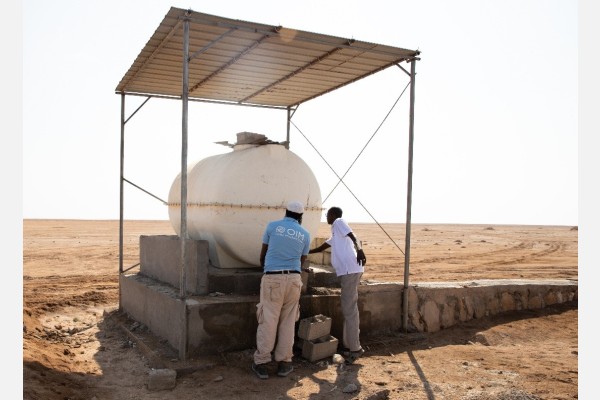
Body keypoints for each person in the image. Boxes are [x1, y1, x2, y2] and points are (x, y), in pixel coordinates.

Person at [252, 200, 310, 379]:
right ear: (300, 216)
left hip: (273, 277)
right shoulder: (305, 234)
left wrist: (269, 271)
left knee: (268, 320)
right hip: (294, 279)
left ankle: (261, 363)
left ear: (286, 212)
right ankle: (285, 362)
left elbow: (263, 254)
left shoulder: (273, 227)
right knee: (288, 322)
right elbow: (302, 260)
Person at [308, 206, 367, 364]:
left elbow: (352, 235)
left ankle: (355, 348)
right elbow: (324, 246)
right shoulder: (335, 232)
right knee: (349, 309)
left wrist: (359, 249)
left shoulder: (339, 222)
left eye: (327, 214)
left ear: (333, 215)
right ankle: (350, 346)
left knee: (350, 310)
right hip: (348, 271)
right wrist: (306, 252)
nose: (326, 217)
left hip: (350, 270)